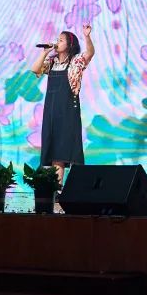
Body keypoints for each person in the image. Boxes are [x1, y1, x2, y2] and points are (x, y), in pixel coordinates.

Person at [30, 23, 94, 189]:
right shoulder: (51, 62)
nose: (57, 42)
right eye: (57, 39)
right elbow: (35, 69)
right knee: (54, 151)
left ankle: (67, 189)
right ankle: (56, 189)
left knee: (64, 150)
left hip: (67, 110)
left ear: (69, 44)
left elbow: (90, 53)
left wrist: (87, 36)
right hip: (51, 111)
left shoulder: (75, 61)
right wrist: (45, 52)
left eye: (61, 40)